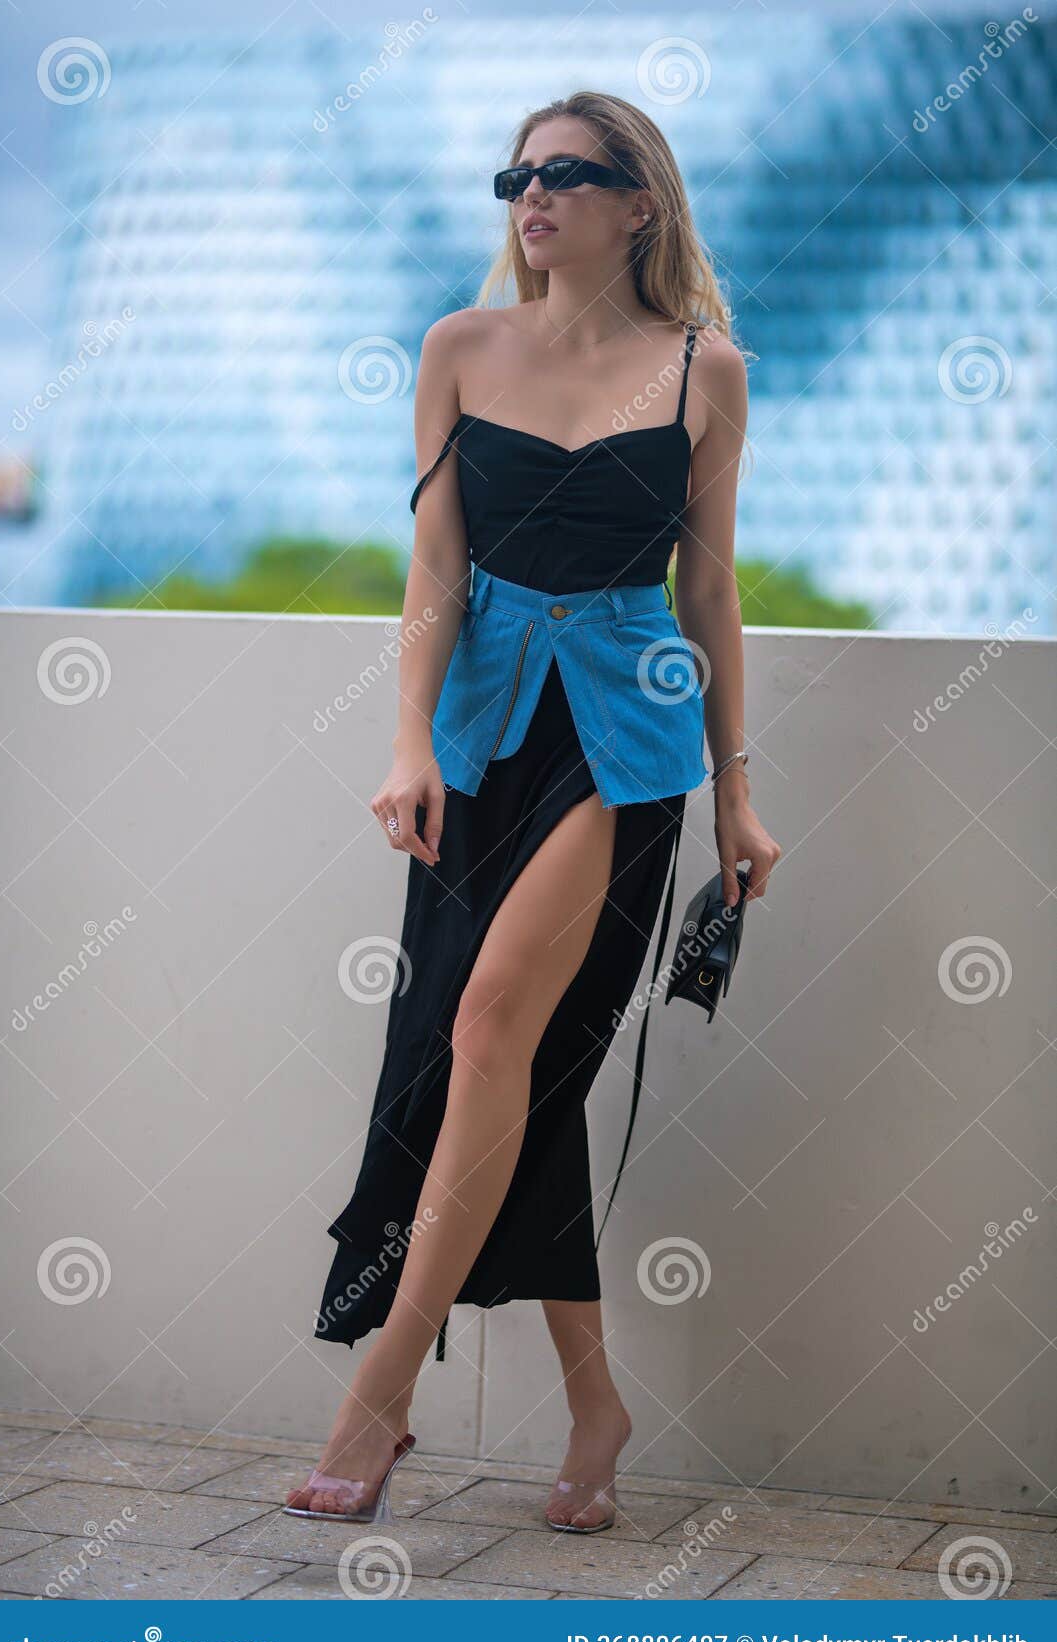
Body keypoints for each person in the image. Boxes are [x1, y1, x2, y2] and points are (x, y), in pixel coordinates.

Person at [286, 90, 780, 1534]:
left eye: (570, 173)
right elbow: (431, 561)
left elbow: (710, 591)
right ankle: (595, 1400)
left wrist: (737, 795)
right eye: (519, 174)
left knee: (493, 1023)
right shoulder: (456, 346)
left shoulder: (706, 371)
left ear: (641, 202)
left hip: (627, 738)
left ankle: (378, 1390)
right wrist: (403, 744)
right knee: (520, 1073)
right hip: (478, 732)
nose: (534, 195)